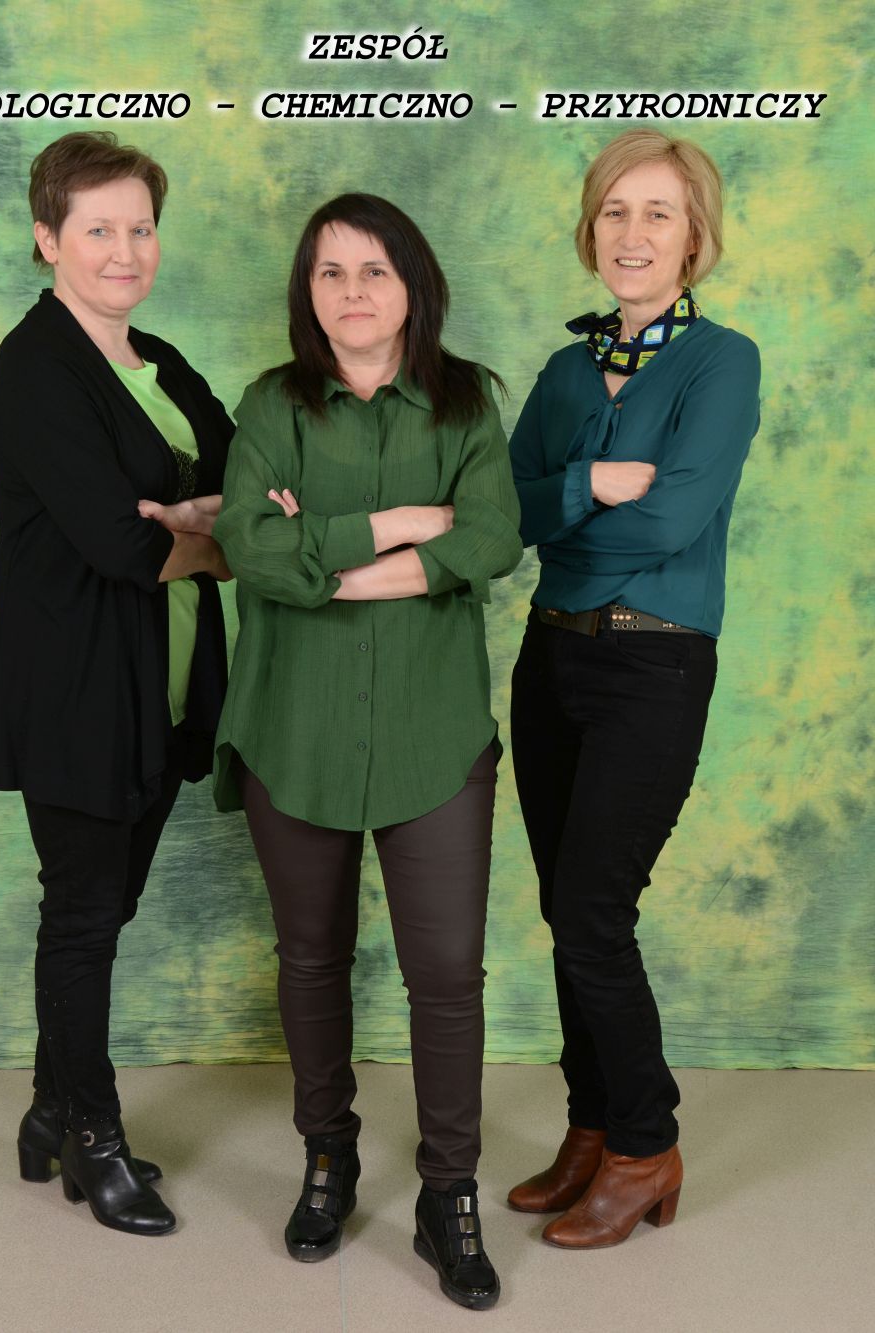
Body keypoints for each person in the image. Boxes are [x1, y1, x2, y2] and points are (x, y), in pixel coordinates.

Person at [150, 193, 520, 1306]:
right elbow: (251, 548)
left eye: (374, 271)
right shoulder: (272, 403)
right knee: (310, 959)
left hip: (433, 730)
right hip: (292, 729)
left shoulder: (467, 403)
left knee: (445, 975)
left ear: (414, 285)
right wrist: (403, 524)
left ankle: (448, 1193)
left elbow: (494, 536)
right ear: (306, 292)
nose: (352, 292)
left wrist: (324, 566)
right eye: (329, 273)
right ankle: (328, 1154)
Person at [505, 130, 760, 1248]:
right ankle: (593, 1125)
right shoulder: (565, 372)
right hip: (550, 659)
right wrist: (589, 485)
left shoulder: (722, 362)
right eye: (615, 210)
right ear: (590, 229)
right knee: (563, 910)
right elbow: (505, 512)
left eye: (658, 212)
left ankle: (647, 1142)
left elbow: (672, 521)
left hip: (653, 663)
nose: (633, 232)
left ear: (693, 236)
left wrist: (569, 517)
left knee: (594, 912)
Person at [0, 131, 233, 1236]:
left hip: (162, 691)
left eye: (140, 227)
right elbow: (122, 546)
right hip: (77, 692)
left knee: (108, 907)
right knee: (83, 918)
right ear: (49, 240)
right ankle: (94, 1137)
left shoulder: (161, 361)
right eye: (98, 229)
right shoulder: (36, 368)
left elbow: (250, 481)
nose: (125, 250)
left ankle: (48, 1110)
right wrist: (204, 536)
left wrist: (197, 523)